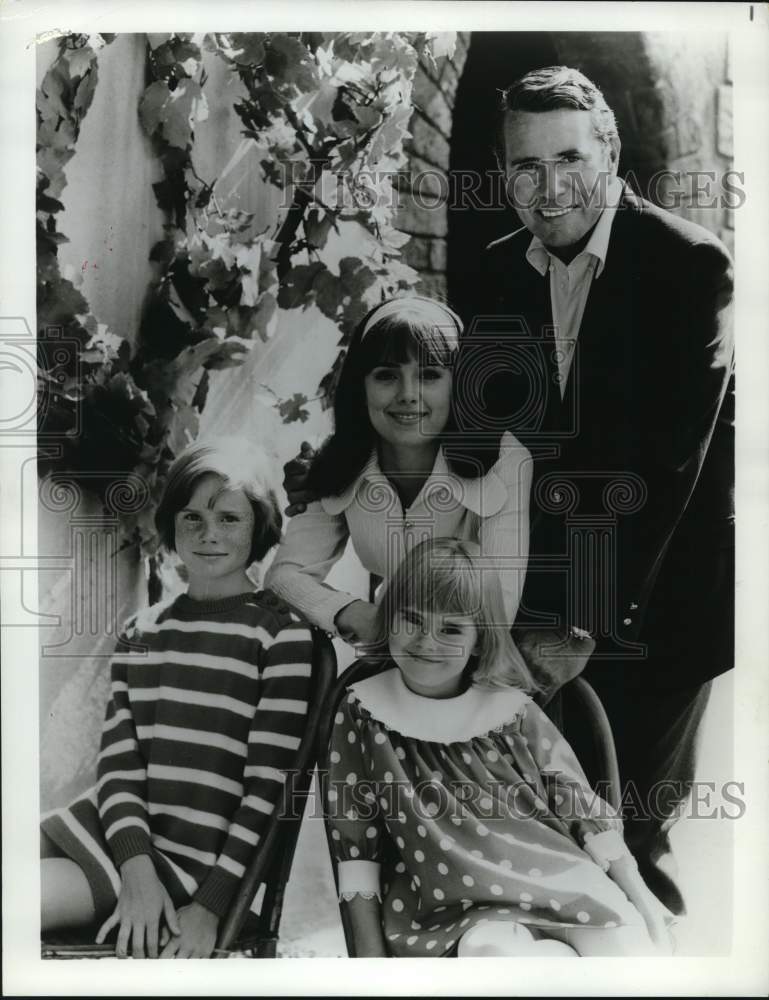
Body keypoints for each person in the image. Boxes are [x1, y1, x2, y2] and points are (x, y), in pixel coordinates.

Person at [450, 65, 734, 914]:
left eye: (568, 159)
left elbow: (665, 469)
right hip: (539, 608)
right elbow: (478, 444)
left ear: (608, 154)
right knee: (549, 842)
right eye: (525, 167)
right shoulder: (497, 272)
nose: (548, 187)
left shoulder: (689, 265)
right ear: (503, 174)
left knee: (632, 844)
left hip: (658, 602)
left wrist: (585, 619)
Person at [326, 537, 673, 957]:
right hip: (458, 908)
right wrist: (369, 961)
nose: (426, 641)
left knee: (626, 949)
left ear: (480, 639)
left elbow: (577, 803)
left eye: (451, 628)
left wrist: (642, 899)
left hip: (562, 879)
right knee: (492, 955)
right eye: (411, 619)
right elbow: (354, 841)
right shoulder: (363, 710)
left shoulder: (511, 710)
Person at [40, 437, 314, 958]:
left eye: (229, 519)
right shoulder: (143, 631)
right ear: (171, 525)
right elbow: (119, 767)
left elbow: (268, 793)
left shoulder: (280, 637)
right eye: (192, 518)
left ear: (260, 526)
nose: (209, 535)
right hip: (119, 837)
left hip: (187, 864)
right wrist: (135, 866)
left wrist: (211, 907)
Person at [264, 295, 533, 649]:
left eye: (429, 375)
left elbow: (497, 614)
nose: (408, 394)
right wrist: (358, 614)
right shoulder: (336, 459)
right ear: (361, 387)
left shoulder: (505, 460)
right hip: (388, 651)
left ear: (460, 385)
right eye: (387, 375)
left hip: (478, 662)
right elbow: (284, 577)